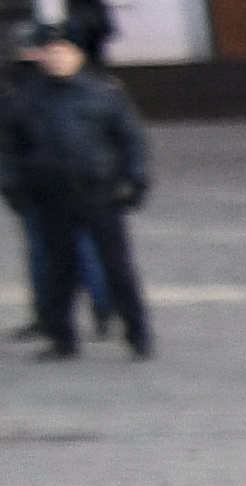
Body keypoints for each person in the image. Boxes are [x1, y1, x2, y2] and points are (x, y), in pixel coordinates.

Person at [3, 19, 144, 362]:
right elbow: (8, 148)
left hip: (99, 193)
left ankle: (135, 331)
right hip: (50, 195)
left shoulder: (104, 93)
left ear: (78, 54)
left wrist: (135, 180)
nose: (57, 58)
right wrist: (13, 189)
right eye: (50, 52)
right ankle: (61, 336)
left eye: (63, 51)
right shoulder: (24, 99)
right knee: (57, 269)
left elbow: (130, 139)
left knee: (116, 267)